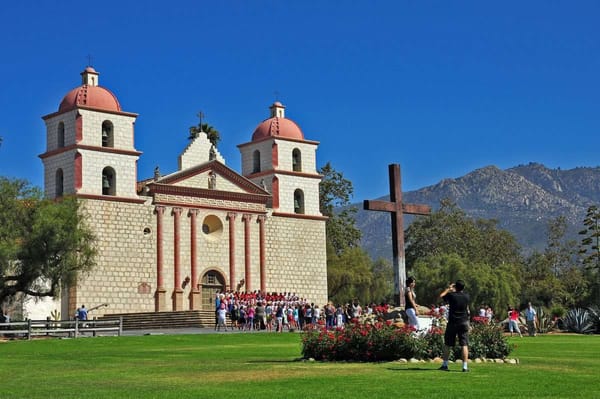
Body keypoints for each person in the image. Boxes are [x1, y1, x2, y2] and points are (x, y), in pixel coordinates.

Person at [439, 280, 470, 372]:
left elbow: (441, 296)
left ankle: (445, 365)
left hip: (453, 322)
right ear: (463, 288)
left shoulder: (452, 295)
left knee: (448, 344)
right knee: (464, 344)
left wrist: (449, 289)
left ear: (455, 287)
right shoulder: (467, 296)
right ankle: (464, 367)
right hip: (463, 322)